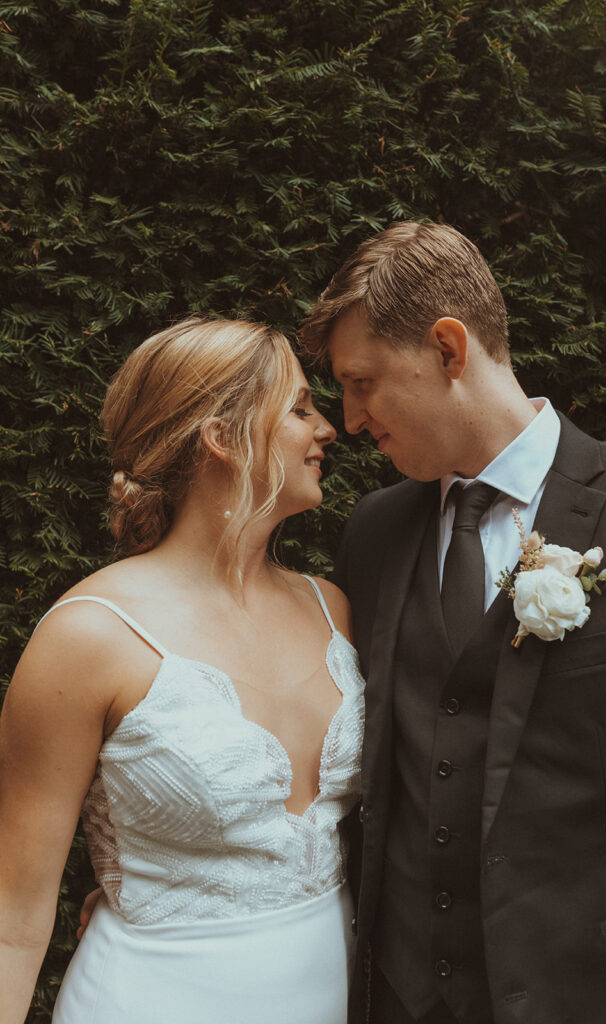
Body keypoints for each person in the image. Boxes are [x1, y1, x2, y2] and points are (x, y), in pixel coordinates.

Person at [300, 221, 606, 1024]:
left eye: (361, 381)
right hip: (404, 996)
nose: (351, 416)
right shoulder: (371, 532)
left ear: (447, 348)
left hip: (601, 995)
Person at [0, 316, 365, 1024]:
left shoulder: (335, 609)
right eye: (298, 407)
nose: (327, 428)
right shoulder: (91, 635)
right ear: (222, 439)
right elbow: (13, 915)